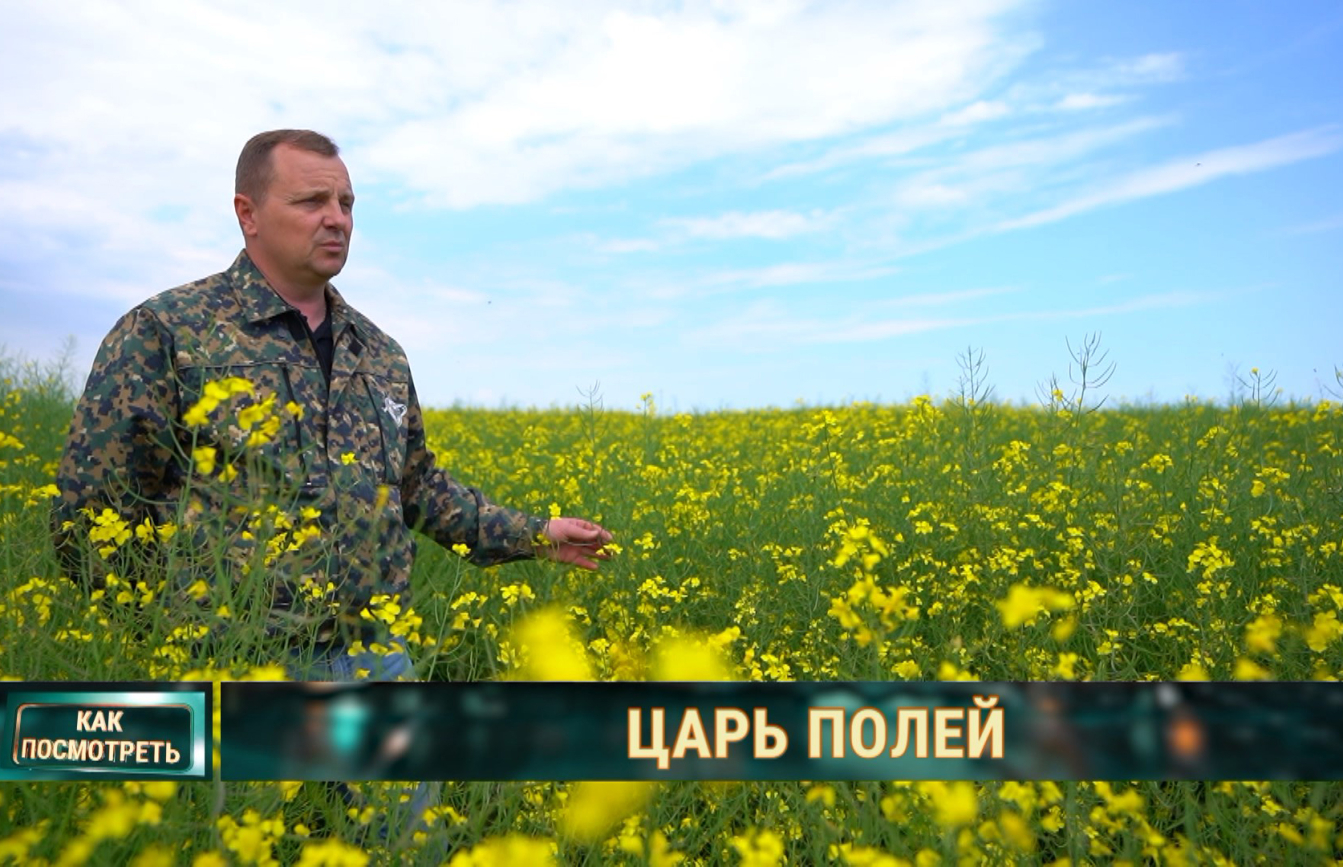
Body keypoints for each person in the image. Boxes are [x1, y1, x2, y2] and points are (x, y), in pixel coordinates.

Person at [51, 129, 613, 674]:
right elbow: (91, 509)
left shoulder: (379, 352)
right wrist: (168, 634)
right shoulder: (169, 331)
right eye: (312, 201)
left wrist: (534, 533)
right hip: (235, 665)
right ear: (248, 214)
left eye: (346, 204)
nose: (337, 219)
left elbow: (417, 488)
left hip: (376, 658)